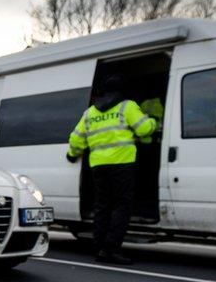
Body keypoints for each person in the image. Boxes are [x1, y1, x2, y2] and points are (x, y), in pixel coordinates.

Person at [67, 74, 157, 265]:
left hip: (98, 166)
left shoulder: (90, 112)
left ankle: (99, 247)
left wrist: (72, 154)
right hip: (122, 163)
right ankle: (111, 249)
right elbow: (143, 129)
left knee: (102, 207)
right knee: (121, 206)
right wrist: (152, 123)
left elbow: (76, 139)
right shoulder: (127, 106)